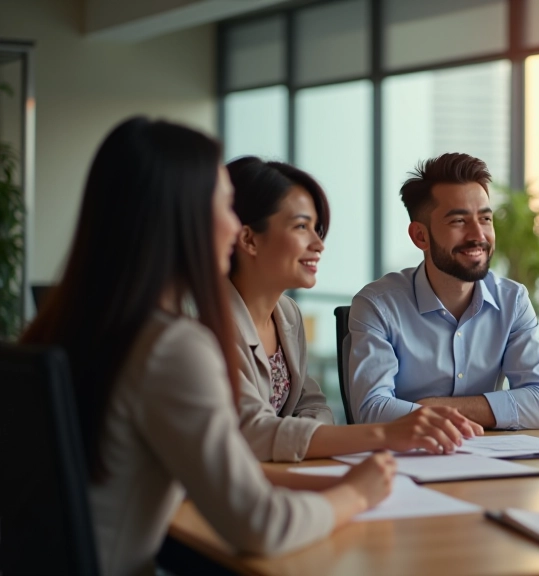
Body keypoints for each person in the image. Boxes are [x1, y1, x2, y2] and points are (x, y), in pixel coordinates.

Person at [21, 117, 397, 576]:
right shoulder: (171, 345)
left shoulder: (73, 325)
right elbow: (261, 526)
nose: (233, 224)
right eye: (224, 204)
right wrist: (357, 492)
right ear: (181, 215)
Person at [225, 157, 482, 462]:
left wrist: (294, 439)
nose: (318, 244)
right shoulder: (204, 322)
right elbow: (251, 432)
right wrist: (387, 434)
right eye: (301, 227)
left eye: (317, 229)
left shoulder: (287, 314)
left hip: (277, 474)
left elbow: (315, 406)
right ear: (249, 239)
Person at [347, 153, 539, 429]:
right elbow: (372, 410)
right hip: (403, 463)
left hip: (491, 462)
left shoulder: (512, 301)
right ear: (420, 236)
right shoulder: (378, 305)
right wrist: (485, 410)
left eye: (485, 219)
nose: (478, 235)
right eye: (459, 221)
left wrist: (431, 408)